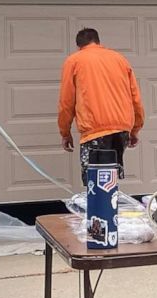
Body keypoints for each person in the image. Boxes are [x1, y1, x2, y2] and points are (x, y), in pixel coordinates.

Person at [58, 27, 145, 183]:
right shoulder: (120, 59)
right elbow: (135, 98)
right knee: (110, 180)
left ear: (79, 46)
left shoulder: (75, 60)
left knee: (96, 182)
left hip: (94, 131)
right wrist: (135, 129)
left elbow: (66, 101)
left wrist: (65, 133)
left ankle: (100, 207)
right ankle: (110, 206)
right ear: (98, 42)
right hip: (121, 129)